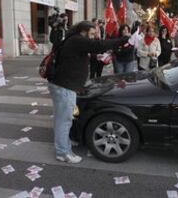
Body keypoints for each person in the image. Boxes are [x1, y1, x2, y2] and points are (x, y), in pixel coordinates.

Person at [48, 21, 129, 163]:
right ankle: (63, 152)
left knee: (61, 118)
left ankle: (63, 143)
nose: (93, 37)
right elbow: (97, 46)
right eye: (91, 34)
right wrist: (124, 39)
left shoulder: (73, 40)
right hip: (65, 86)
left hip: (62, 84)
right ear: (83, 32)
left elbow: (85, 53)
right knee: (64, 120)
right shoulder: (77, 40)